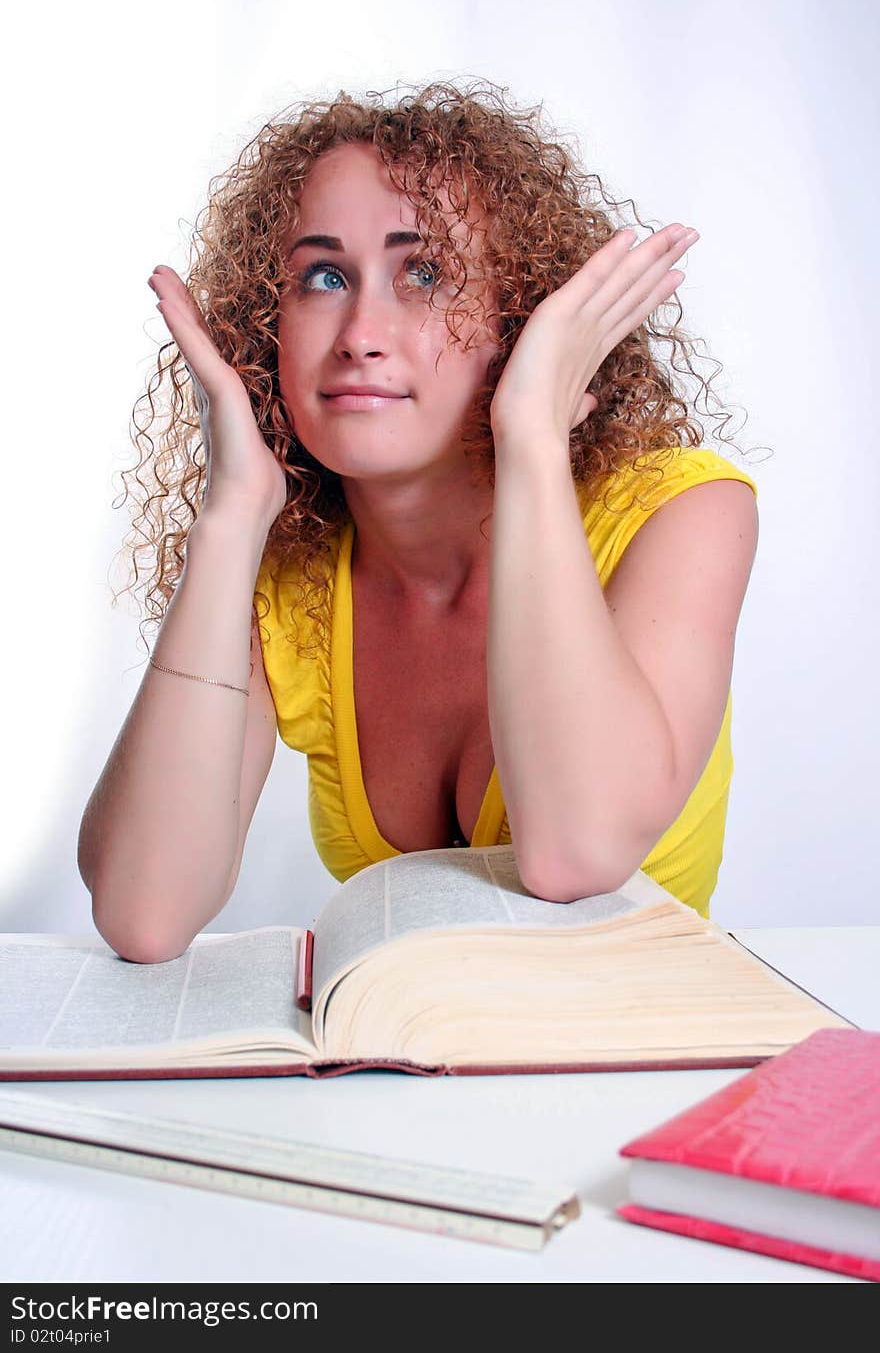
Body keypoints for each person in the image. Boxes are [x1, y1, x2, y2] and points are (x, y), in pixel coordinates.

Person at [77, 79, 760, 964]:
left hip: (633, 1087)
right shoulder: (288, 575)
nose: (361, 331)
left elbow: (575, 854)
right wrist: (231, 512)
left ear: (517, 317)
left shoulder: (684, 510)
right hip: (400, 1085)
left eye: (424, 272)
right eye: (323, 276)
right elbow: (143, 911)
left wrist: (532, 438)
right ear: (263, 326)